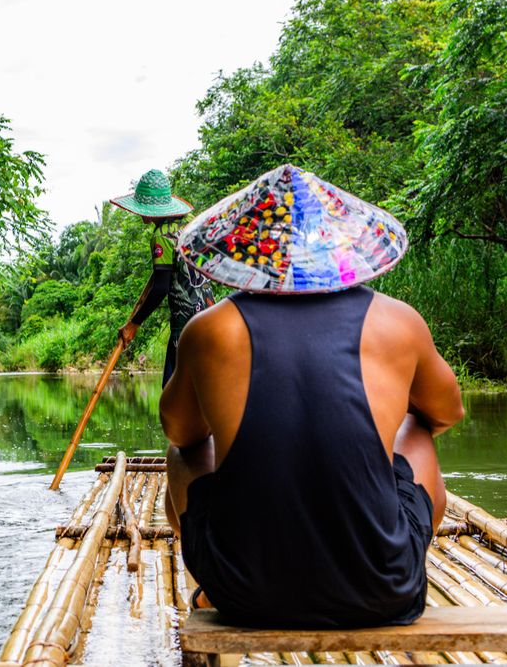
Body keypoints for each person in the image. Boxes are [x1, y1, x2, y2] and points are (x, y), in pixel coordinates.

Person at [160, 164, 464, 629]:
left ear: (251, 250)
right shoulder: (400, 321)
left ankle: (214, 574)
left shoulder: (208, 329)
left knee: (185, 452)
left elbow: (181, 431)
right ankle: (400, 553)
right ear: (340, 246)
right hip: (384, 589)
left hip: (242, 592)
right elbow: (447, 413)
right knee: (417, 424)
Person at [110, 169, 215, 385]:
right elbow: (165, 275)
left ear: (151, 210)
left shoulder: (161, 235)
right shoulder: (190, 224)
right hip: (211, 314)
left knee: (171, 393)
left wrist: (134, 324)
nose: (139, 214)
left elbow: (161, 288)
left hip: (185, 324)